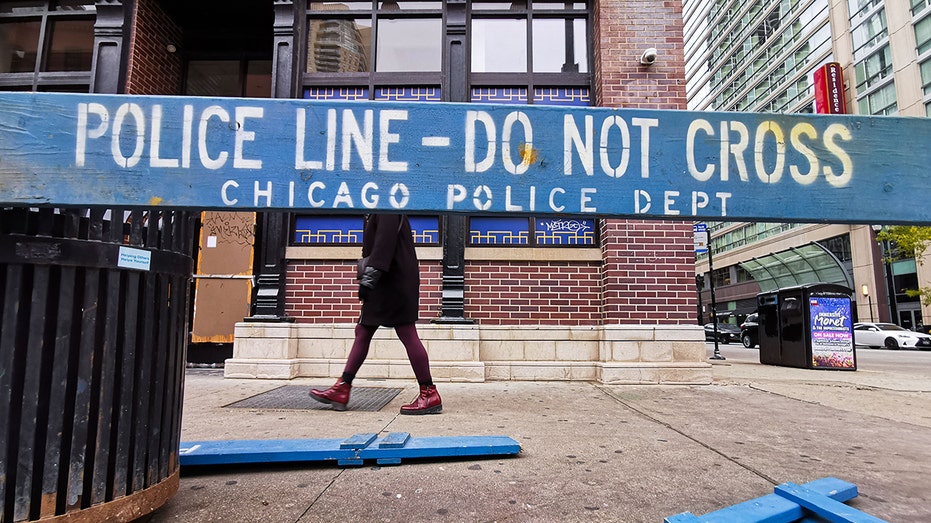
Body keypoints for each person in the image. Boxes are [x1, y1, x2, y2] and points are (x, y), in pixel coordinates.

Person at [309, 214, 442, 415]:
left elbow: (384, 243)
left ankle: (429, 392)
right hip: (387, 281)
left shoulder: (387, 204)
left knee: (406, 332)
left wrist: (369, 278)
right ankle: (343, 387)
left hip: (391, 282)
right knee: (363, 330)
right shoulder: (380, 204)